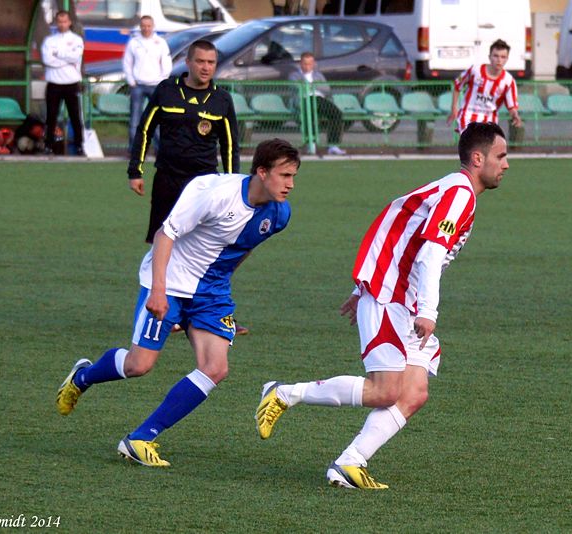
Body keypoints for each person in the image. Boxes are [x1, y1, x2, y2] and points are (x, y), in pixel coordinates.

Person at [256, 122, 509, 489]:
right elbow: (430, 253)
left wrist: (367, 284)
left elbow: (397, 223)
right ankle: (283, 392)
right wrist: (426, 310)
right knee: (386, 390)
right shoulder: (460, 193)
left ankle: (350, 463)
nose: (506, 164)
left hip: (396, 295)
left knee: (414, 392)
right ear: (477, 158)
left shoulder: (453, 190)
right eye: (500, 156)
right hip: (392, 297)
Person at [56, 138, 301, 467]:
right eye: (284, 175)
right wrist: (159, 291)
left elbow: (244, 246)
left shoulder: (279, 214)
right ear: (261, 171)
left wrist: (220, 286)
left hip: (211, 291)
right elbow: (164, 234)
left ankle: (141, 438)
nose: (290, 184)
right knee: (138, 366)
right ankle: (83, 377)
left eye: (293, 176)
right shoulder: (214, 194)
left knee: (216, 368)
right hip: (169, 280)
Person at [127, 38, 247, 334]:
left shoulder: (221, 99)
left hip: (205, 184)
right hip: (168, 178)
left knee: (207, 247)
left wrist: (234, 185)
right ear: (189, 63)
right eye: (201, 61)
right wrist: (135, 170)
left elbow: (231, 145)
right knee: (163, 240)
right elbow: (144, 129)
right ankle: (160, 303)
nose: (206, 67)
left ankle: (206, 311)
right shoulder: (167, 91)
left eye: (211, 63)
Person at [446, 40, 522, 134]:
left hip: (490, 121)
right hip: (467, 117)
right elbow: (458, 85)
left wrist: (515, 116)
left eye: (503, 57)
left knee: (485, 148)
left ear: (507, 59)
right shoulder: (475, 70)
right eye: (496, 56)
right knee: (472, 146)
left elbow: (512, 107)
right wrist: (454, 108)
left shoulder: (509, 81)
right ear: (489, 57)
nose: (499, 60)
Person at [123, 15, 172, 152]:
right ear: (140, 26)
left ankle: (160, 150)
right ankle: (134, 150)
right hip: (137, 85)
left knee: (157, 119)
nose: (146, 28)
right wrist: (131, 81)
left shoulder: (160, 42)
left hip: (156, 86)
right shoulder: (134, 42)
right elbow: (127, 63)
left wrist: (162, 81)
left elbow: (166, 63)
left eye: (148, 25)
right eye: (143, 25)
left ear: (153, 26)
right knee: (135, 119)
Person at [41, 10, 85, 155]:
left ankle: (79, 145)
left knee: (75, 116)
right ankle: (48, 145)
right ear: (56, 23)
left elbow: (75, 57)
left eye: (65, 21)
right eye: (59, 22)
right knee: (51, 116)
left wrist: (58, 55)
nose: (62, 24)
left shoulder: (77, 40)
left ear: (69, 22)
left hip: (71, 83)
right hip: (54, 83)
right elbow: (47, 60)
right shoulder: (49, 41)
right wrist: (65, 60)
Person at [288, 52, 346, 156]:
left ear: (314, 63)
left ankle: (333, 145)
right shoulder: (294, 75)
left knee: (337, 114)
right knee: (310, 115)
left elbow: (326, 89)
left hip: (319, 99)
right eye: (305, 63)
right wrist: (313, 86)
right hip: (304, 99)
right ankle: (311, 143)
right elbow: (297, 88)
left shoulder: (318, 75)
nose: (307, 66)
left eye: (310, 63)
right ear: (300, 63)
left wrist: (311, 86)